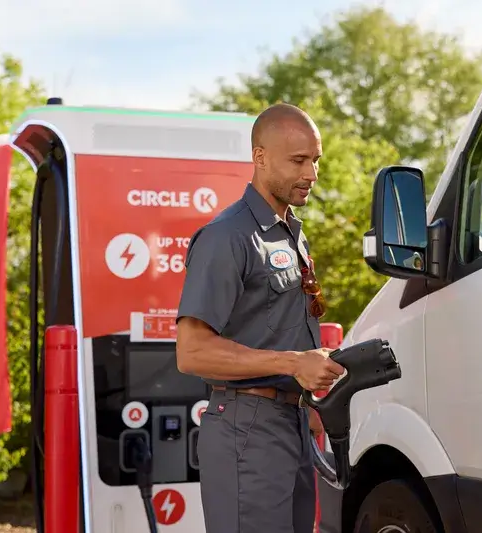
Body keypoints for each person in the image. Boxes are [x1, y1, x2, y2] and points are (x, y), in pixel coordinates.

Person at [175, 102, 346, 533]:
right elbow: (191, 352)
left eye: (315, 161)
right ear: (260, 157)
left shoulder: (289, 233)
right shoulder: (227, 236)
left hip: (291, 425)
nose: (311, 174)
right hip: (245, 428)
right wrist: (292, 364)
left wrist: (313, 384)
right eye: (298, 161)